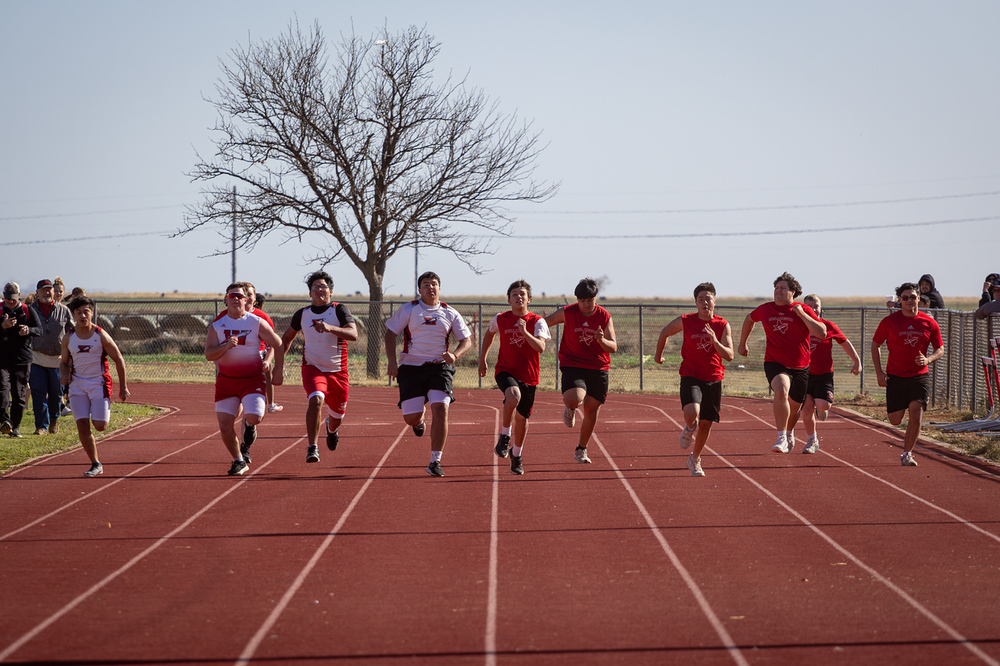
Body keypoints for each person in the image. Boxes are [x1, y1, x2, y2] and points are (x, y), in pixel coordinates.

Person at [384, 271, 473, 477]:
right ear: (419, 289)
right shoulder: (408, 309)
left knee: (441, 409)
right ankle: (419, 420)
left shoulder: (450, 313)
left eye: (434, 284)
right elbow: (390, 334)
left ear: (439, 288)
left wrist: (455, 355)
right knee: (411, 418)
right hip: (411, 367)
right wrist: (392, 362)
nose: (430, 288)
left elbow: (466, 340)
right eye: (426, 284)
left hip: (439, 368)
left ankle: (435, 461)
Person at [737, 272, 826, 453]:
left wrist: (802, 315)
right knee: (781, 389)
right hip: (775, 362)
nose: (778, 291)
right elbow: (749, 319)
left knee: (794, 409)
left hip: (800, 365)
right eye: (776, 288)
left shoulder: (803, 309)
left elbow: (822, 332)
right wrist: (742, 343)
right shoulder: (766, 309)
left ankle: (789, 432)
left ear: (793, 292)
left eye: (783, 288)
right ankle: (781, 438)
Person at [653, 282, 733, 477]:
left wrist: (715, 341)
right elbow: (665, 332)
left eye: (708, 299)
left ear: (714, 301)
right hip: (691, 374)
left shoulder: (722, 325)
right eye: (700, 299)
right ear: (696, 303)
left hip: (713, 377)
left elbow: (730, 355)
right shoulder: (686, 320)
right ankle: (689, 428)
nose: (705, 302)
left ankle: (694, 459)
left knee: (706, 423)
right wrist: (658, 356)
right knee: (692, 412)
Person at [205, 283, 285, 476]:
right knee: (225, 425)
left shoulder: (256, 322)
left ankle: (249, 425)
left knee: (255, 417)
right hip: (226, 381)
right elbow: (209, 354)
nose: (235, 299)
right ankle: (238, 460)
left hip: (252, 380)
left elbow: (278, 343)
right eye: (231, 296)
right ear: (226, 300)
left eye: (239, 296)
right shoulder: (217, 326)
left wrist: (278, 370)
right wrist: (225, 347)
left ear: (247, 300)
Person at [281, 271, 358, 464]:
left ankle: (331, 429)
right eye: (315, 287)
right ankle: (312, 447)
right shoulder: (302, 314)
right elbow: (287, 337)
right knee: (315, 400)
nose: (319, 290)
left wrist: (330, 328)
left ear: (330, 291)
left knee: (337, 417)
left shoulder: (339, 310)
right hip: (312, 367)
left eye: (323, 286)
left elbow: (353, 334)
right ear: (310, 293)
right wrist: (278, 365)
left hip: (337, 371)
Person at [478, 279, 550, 475]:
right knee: (513, 396)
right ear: (509, 299)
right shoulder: (501, 318)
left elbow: (540, 347)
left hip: (529, 376)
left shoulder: (537, 321)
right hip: (505, 370)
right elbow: (489, 334)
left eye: (522, 294)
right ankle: (504, 436)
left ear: (529, 299)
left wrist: (524, 332)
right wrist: (482, 359)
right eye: (515, 294)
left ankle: (516, 454)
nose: (519, 297)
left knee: (522, 419)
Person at [544, 277, 618, 464]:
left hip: (598, 366)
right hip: (573, 363)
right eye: (582, 300)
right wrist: (536, 333)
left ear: (595, 298)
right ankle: (570, 408)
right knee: (575, 397)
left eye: (589, 300)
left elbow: (613, 347)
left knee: (591, 411)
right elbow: (544, 323)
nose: (586, 304)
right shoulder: (568, 312)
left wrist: (601, 340)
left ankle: (581, 449)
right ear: (577, 299)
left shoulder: (604, 316)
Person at [871, 282, 944, 466]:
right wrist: (879, 372)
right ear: (900, 300)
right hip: (895, 376)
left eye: (913, 297)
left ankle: (907, 453)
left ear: (918, 298)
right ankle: (903, 411)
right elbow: (875, 344)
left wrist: (928, 360)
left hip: (919, 376)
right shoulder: (890, 321)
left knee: (916, 411)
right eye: (905, 298)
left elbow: (940, 349)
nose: (909, 301)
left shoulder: (929, 322)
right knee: (895, 420)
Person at [60, 296, 129, 476]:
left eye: (86, 312)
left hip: (99, 383)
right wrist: (63, 374)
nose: (83, 316)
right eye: (79, 313)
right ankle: (95, 463)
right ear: (74, 315)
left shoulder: (100, 335)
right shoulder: (69, 338)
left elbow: (119, 359)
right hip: (77, 385)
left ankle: (96, 408)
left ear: (92, 313)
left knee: (100, 425)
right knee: (82, 425)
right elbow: (64, 362)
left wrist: (123, 387)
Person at [793, 294, 862, 454]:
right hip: (803, 373)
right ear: (804, 309)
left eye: (816, 306)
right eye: (810, 307)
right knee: (806, 409)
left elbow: (844, 342)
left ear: (821, 308)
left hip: (823, 374)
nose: (814, 309)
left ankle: (821, 407)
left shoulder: (827, 326)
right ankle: (812, 441)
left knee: (823, 405)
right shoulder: (798, 326)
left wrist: (857, 361)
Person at [29, 279, 73, 436]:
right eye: (43, 290)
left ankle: (54, 418)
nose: (47, 292)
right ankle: (41, 426)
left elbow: (72, 331)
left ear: (53, 292)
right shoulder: (30, 310)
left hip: (57, 360)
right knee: (38, 393)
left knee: (56, 394)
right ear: (37, 292)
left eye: (49, 290)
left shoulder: (64, 310)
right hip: (37, 358)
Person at [1, 282, 42, 438]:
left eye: (13, 298)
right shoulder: (0, 310)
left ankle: (15, 426)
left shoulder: (27, 310)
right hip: (2, 358)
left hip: (22, 359)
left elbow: (39, 329)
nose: (10, 301)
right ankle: (5, 422)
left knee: (19, 394)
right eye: (7, 298)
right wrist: (3, 326)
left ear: (19, 296)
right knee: (2, 389)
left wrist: (28, 330)